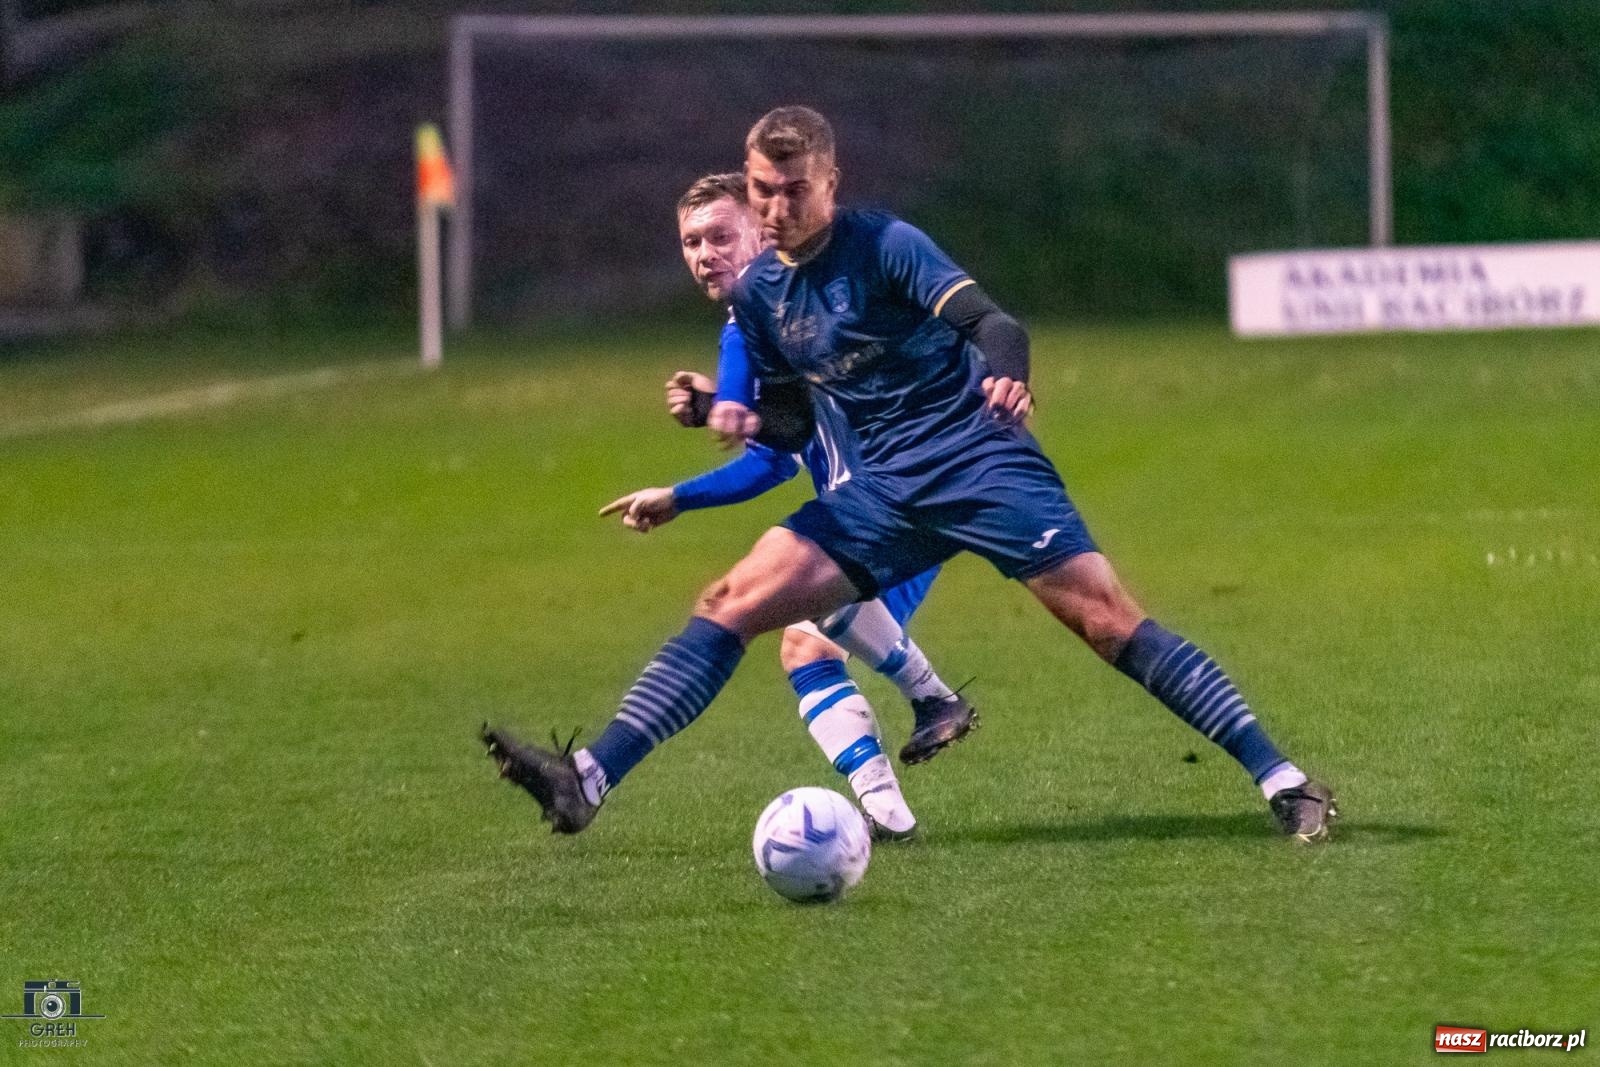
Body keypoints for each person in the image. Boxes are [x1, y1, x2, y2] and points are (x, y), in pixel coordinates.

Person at [485, 106, 1337, 843]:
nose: (775, 209)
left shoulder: (885, 243)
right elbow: (786, 422)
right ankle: (587, 778)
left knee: (1109, 623)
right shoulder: (759, 297)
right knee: (730, 602)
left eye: (793, 190)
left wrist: (1007, 370)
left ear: (830, 181)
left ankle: (1285, 779)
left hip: (980, 462)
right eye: (762, 190)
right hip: (879, 494)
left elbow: (992, 322)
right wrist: (724, 411)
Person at [488, 173, 976, 840]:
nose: (704, 253)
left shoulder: (798, 301)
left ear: (760, 230)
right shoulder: (759, 317)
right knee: (804, 650)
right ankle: (890, 818)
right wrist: (682, 492)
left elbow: (821, 393)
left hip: (909, 496)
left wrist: (724, 401)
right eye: (691, 241)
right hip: (882, 501)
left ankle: (932, 698)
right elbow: (777, 452)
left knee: (789, 606)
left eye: (720, 235)